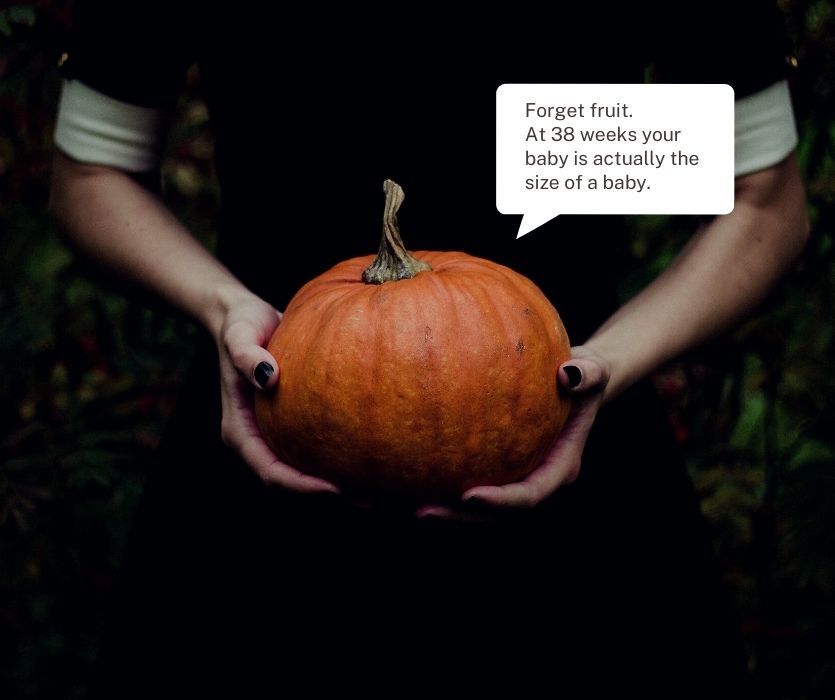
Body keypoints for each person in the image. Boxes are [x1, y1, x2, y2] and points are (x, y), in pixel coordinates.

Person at [49, 1, 808, 696]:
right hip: (270, 437)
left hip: (574, 449)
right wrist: (224, 310)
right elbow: (91, 171)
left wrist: (607, 362)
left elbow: (764, 201)